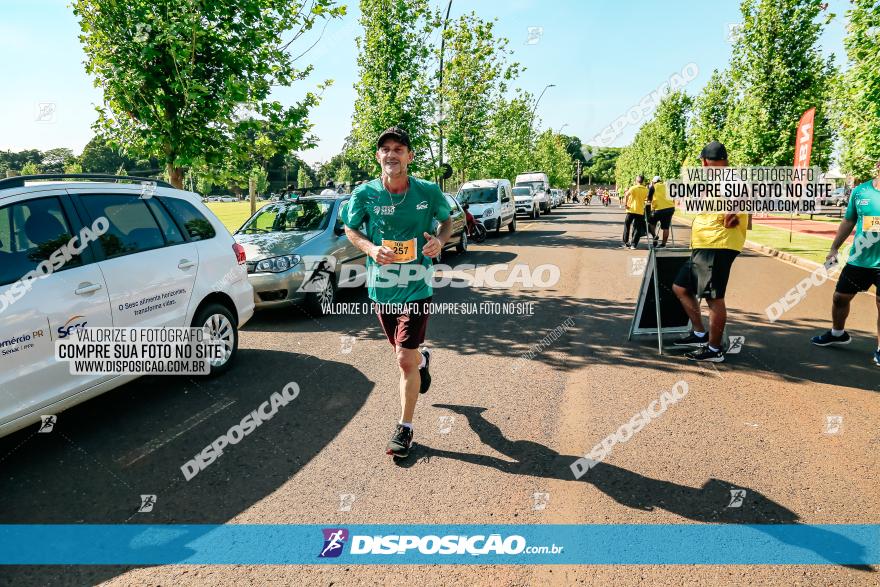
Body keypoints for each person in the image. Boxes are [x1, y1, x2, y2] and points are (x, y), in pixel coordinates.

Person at [340, 126, 453, 458]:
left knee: (404, 359)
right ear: (379, 156)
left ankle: (404, 429)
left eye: (398, 149)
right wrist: (371, 249)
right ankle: (423, 359)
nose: (391, 154)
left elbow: (446, 222)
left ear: (409, 156)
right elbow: (350, 228)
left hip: (417, 287)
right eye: (385, 149)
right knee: (406, 356)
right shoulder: (365, 194)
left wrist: (440, 240)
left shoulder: (428, 192)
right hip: (381, 289)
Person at [672, 141, 748, 362]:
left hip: (718, 244)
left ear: (705, 161)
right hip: (705, 244)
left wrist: (733, 210)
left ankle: (714, 350)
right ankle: (698, 333)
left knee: (714, 298)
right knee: (681, 287)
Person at [811, 159, 880, 367]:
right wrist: (834, 248)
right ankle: (837, 333)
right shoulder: (861, 192)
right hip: (859, 259)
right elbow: (849, 220)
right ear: (878, 165)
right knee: (840, 298)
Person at [647, 175, 675, 247]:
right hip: (670, 208)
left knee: (650, 222)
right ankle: (663, 244)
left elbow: (649, 200)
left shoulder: (653, 187)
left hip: (659, 209)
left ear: (654, 182)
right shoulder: (667, 186)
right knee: (666, 227)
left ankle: (654, 236)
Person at [622, 176, 648, 249]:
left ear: (636, 181)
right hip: (640, 211)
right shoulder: (646, 189)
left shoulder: (633, 188)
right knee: (637, 228)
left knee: (627, 225)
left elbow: (626, 195)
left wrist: (626, 204)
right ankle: (633, 244)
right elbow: (647, 199)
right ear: (643, 181)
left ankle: (626, 242)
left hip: (631, 210)